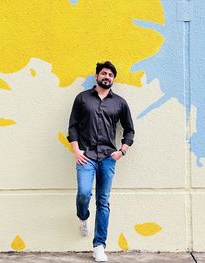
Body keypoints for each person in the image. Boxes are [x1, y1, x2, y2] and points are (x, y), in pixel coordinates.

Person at [67, 61, 134, 262]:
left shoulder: (119, 103)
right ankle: (83, 216)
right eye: (104, 73)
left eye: (111, 75)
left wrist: (122, 151)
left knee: (103, 202)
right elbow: (72, 126)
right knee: (84, 193)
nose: (107, 77)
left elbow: (129, 130)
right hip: (86, 156)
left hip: (107, 157)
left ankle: (99, 246)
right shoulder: (82, 99)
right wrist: (76, 150)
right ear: (97, 76)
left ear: (113, 79)